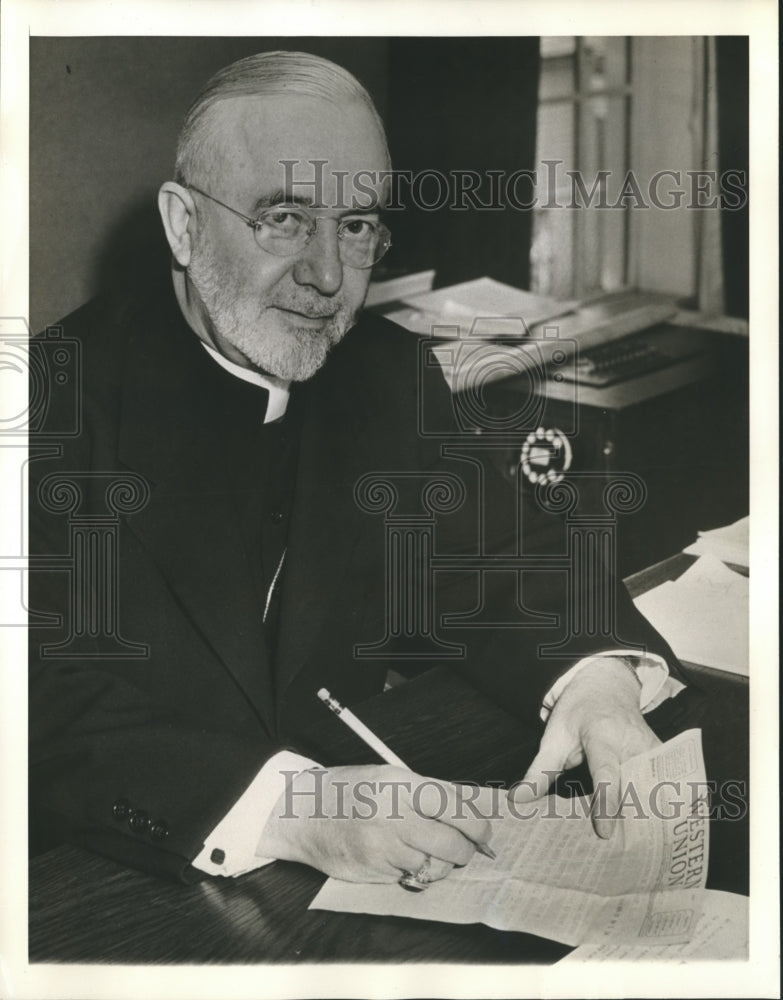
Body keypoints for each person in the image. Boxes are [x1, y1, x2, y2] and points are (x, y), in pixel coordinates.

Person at [30, 50, 707, 888]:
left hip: (333, 882)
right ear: (182, 224)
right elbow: (40, 709)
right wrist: (296, 808)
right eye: (283, 218)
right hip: (96, 886)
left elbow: (502, 560)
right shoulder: (39, 409)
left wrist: (596, 685)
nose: (324, 276)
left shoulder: (378, 372)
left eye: (354, 226)